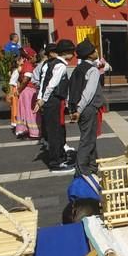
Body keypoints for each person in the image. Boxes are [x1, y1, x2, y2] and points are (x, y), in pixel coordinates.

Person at [35, 39, 75, 173]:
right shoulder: (61, 66)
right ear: (65, 53)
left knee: (56, 130)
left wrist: (40, 98)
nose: (73, 55)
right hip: (53, 101)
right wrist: (43, 99)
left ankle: (60, 157)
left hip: (51, 101)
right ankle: (55, 163)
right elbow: (51, 84)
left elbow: (43, 82)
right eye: (71, 52)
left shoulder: (49, 63)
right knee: (55, 132)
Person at [68, 39, 104, 177]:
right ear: (89, 54)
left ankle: (93, 164)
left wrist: (72, 108)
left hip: (79, 107)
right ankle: (81, 169)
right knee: (87, 140)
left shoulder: (78, 68)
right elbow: (88, 92)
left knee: (90, 137)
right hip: (87, 108)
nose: (97, 52)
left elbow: (72, 89)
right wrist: (79, 109)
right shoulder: (92, 70)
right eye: (94, 50)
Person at [15, 47, 40, 139]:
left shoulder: (26, 64)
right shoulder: (28, 65)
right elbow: (25, 80)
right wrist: (19, 90)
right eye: (35, 56)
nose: (36, 58)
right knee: (31, 111)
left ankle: (25, 129)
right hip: (28, 90)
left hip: (26, 91)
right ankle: (34, 131)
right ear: (31, 56)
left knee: (25, 110)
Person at [8, 55, 23, 130]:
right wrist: (11, 93)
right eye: (21, 60)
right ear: (18, 62)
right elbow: (11, 82)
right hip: (15, 90)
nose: (23, 61)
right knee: (16, 107)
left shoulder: (17, 70)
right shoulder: (16, 71)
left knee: (18, 106)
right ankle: (16, 123)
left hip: (16, 89)